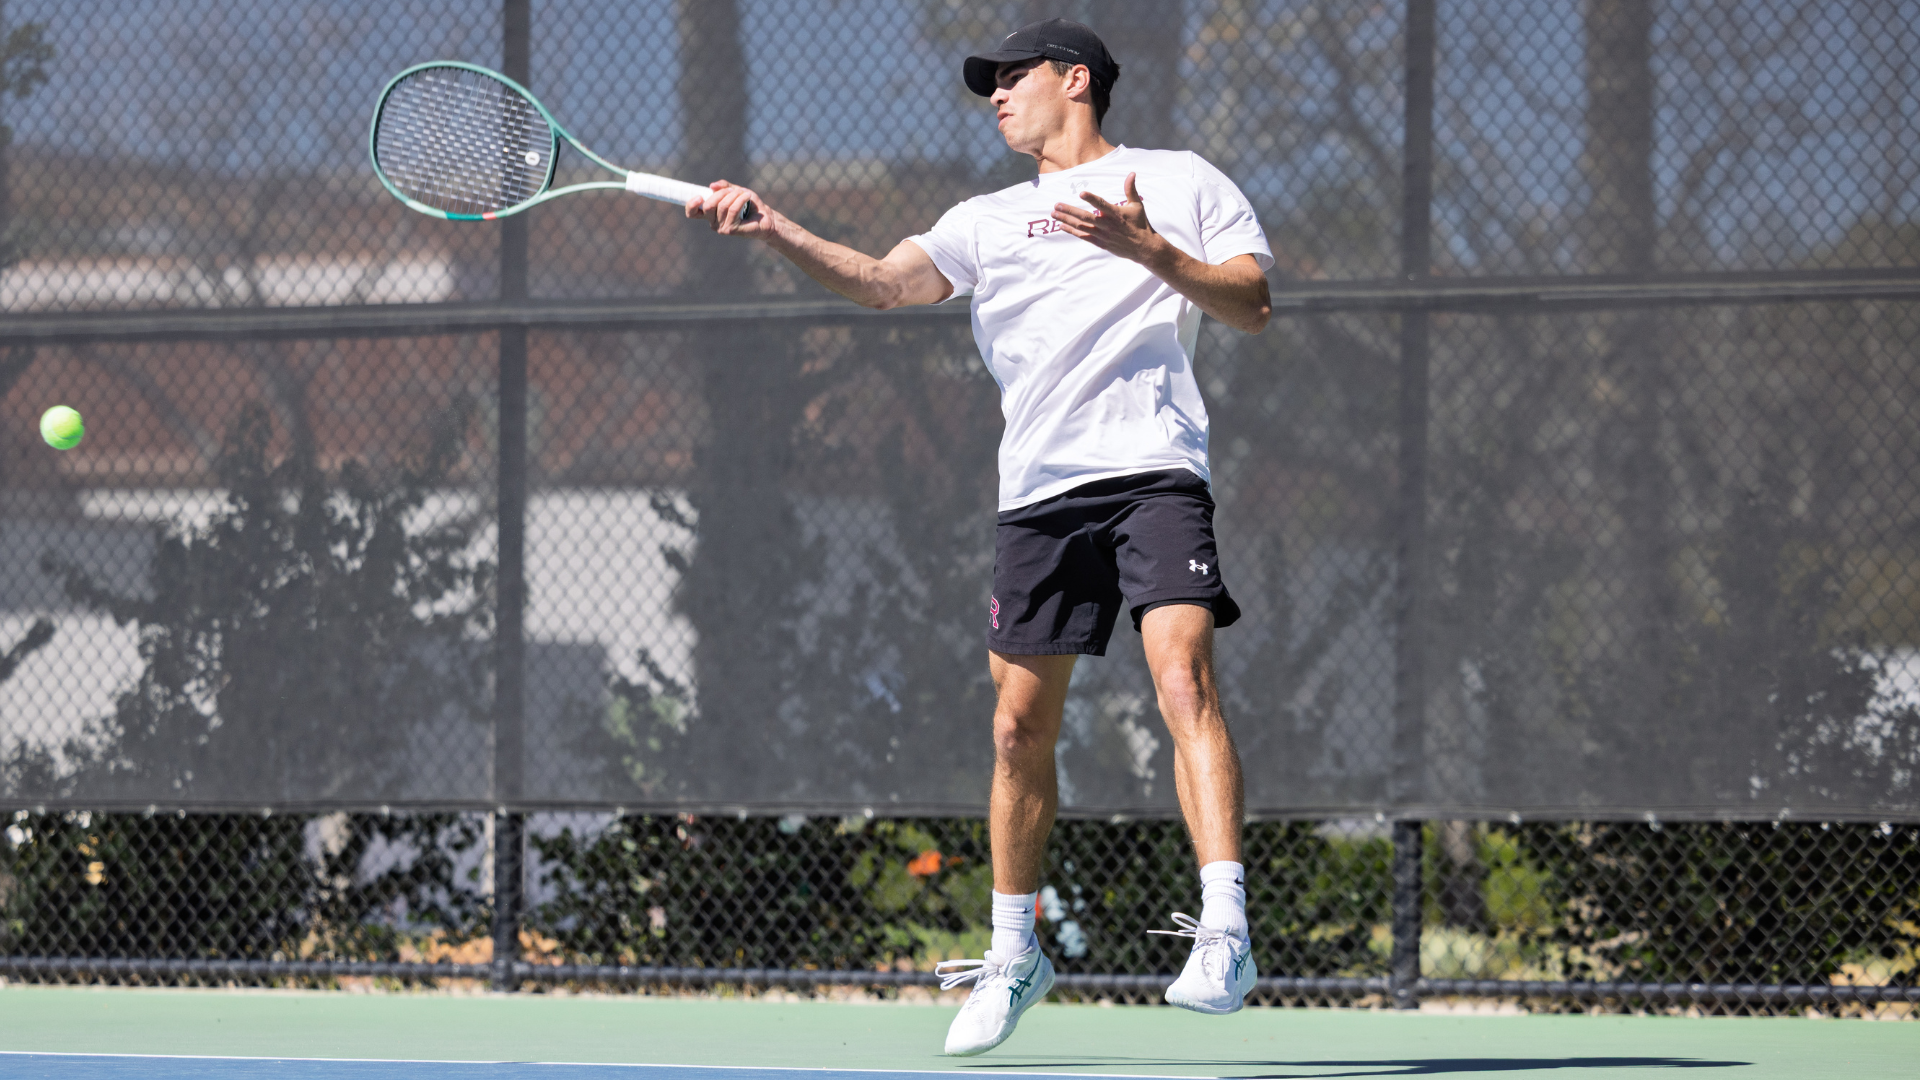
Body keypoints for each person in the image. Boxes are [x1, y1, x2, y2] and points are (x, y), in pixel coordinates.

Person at [687, 17, 1272, 1056]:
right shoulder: (985, 218)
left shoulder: (1178, 180)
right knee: (1015, 730)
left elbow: (1252, 302)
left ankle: (1224, 928)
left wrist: (1152, 252)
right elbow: (878, 281)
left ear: (1075, 79)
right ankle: (1014, 954)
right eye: (988, 84)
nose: (996, 96)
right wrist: (774, 228)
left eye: (1013, 78)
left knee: (1182, 677)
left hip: (1153, 471)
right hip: (1037, 495)